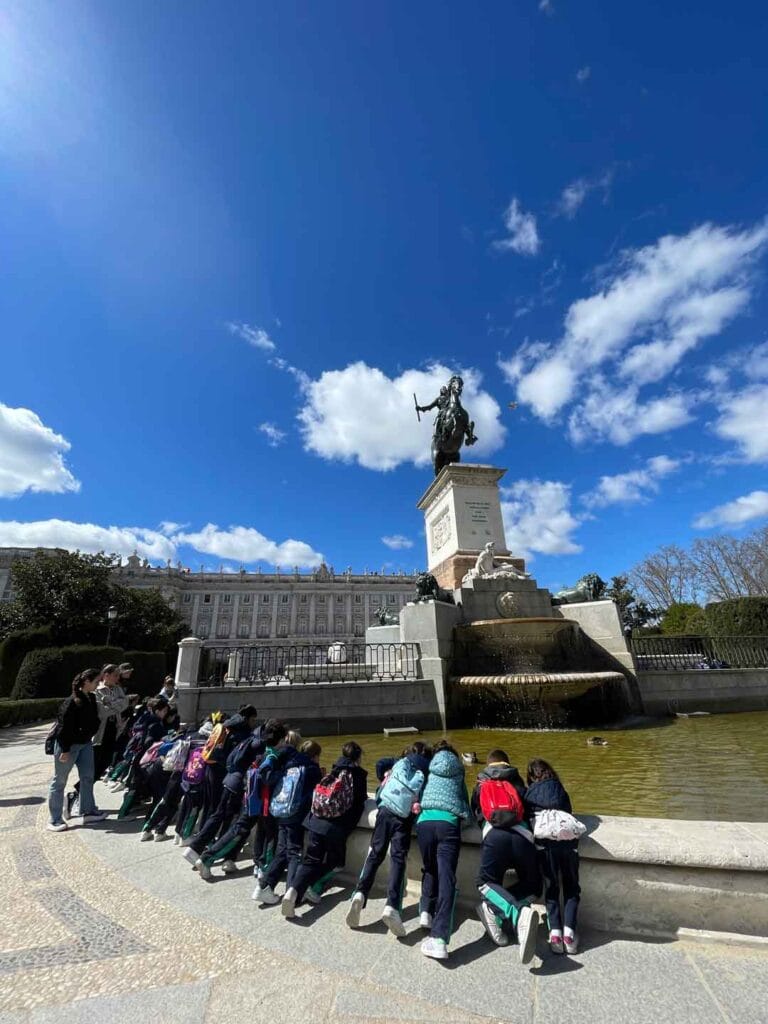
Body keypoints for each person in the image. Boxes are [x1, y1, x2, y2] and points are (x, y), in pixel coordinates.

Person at [346, 741, 432, 935]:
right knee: (398, 859)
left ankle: (360, 893)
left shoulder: (401, 761)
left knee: (375, 854)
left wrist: (383, 776)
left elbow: (380, 764)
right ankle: (392, 905)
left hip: (385, 810)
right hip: (403, 818)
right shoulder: (426, 770)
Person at [190, 719, 289, 879]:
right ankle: (208, 858)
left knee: (238, 828)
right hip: (260, 801)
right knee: (240, 830)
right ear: (280, 739)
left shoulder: (262, 750)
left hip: (250, 796)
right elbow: (267, 778)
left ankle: (208, 857)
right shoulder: (271, 756)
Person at [281, 741, 368, 919]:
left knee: (310, 861)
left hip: (315, 822)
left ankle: (293, 891)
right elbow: (360, 801)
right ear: (358, 757)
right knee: (336, 863)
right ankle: (313, 888)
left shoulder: (334, 770)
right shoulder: (358, 775)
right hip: (336, 828)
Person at [472, 749, 541, 965]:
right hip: (523, 838)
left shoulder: (481, 783)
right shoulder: (518, 782)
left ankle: (515, 913)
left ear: (489, 764)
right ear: (507, 763)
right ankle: (501, 910)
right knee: (534, 886)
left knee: (484, 884)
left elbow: (475, 812)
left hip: (494, 837)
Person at [415, 740, 472, 960]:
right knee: (447, 877)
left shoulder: (430, 769)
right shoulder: (459, 772)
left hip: (424, 823)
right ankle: (439, 939)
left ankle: (426, 912)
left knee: (429, 868)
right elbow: (464, 801)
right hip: (448, 824)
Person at [252, 738, 323, 904]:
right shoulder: (312, 769)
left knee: (282, 851)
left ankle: (263, 887)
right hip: (296, 814)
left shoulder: (290, 764)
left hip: (281, 810)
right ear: (315, 755)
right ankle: (292, 894)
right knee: (294, 853)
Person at [525, 757, 580, 955]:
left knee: (552, 888)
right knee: (572, 888)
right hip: (568, 845)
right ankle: (569, 936)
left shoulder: (530, 793)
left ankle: (555, 935)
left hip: (545, 847)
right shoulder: (560, 789)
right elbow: (569, 812)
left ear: (531, 776)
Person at [47, 669, 108, 831]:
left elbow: (95, 720)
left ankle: (88, 811)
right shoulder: (71, 702)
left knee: (88, 777)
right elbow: (63, 727)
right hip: (68, 746)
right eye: (96, 681)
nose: (98, 684)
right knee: (60, 781)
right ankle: (54, 819)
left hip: (85, 744)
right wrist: (65, 749)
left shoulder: (92, 698)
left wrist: (90, 733)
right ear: (86, 681)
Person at [93, 664, 130, 780]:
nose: (117, 678)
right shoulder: (97, 689)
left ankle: (83, 785)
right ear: (106, 675)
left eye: (118, 675)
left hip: (114, 727)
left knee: (107, 760)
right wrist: (117, 704)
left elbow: (125, 703)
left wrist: (110, 703)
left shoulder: (118, 689)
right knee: (95, 761)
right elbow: (102, 711)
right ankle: (83, 786)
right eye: (115, 675)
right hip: (100, 730)